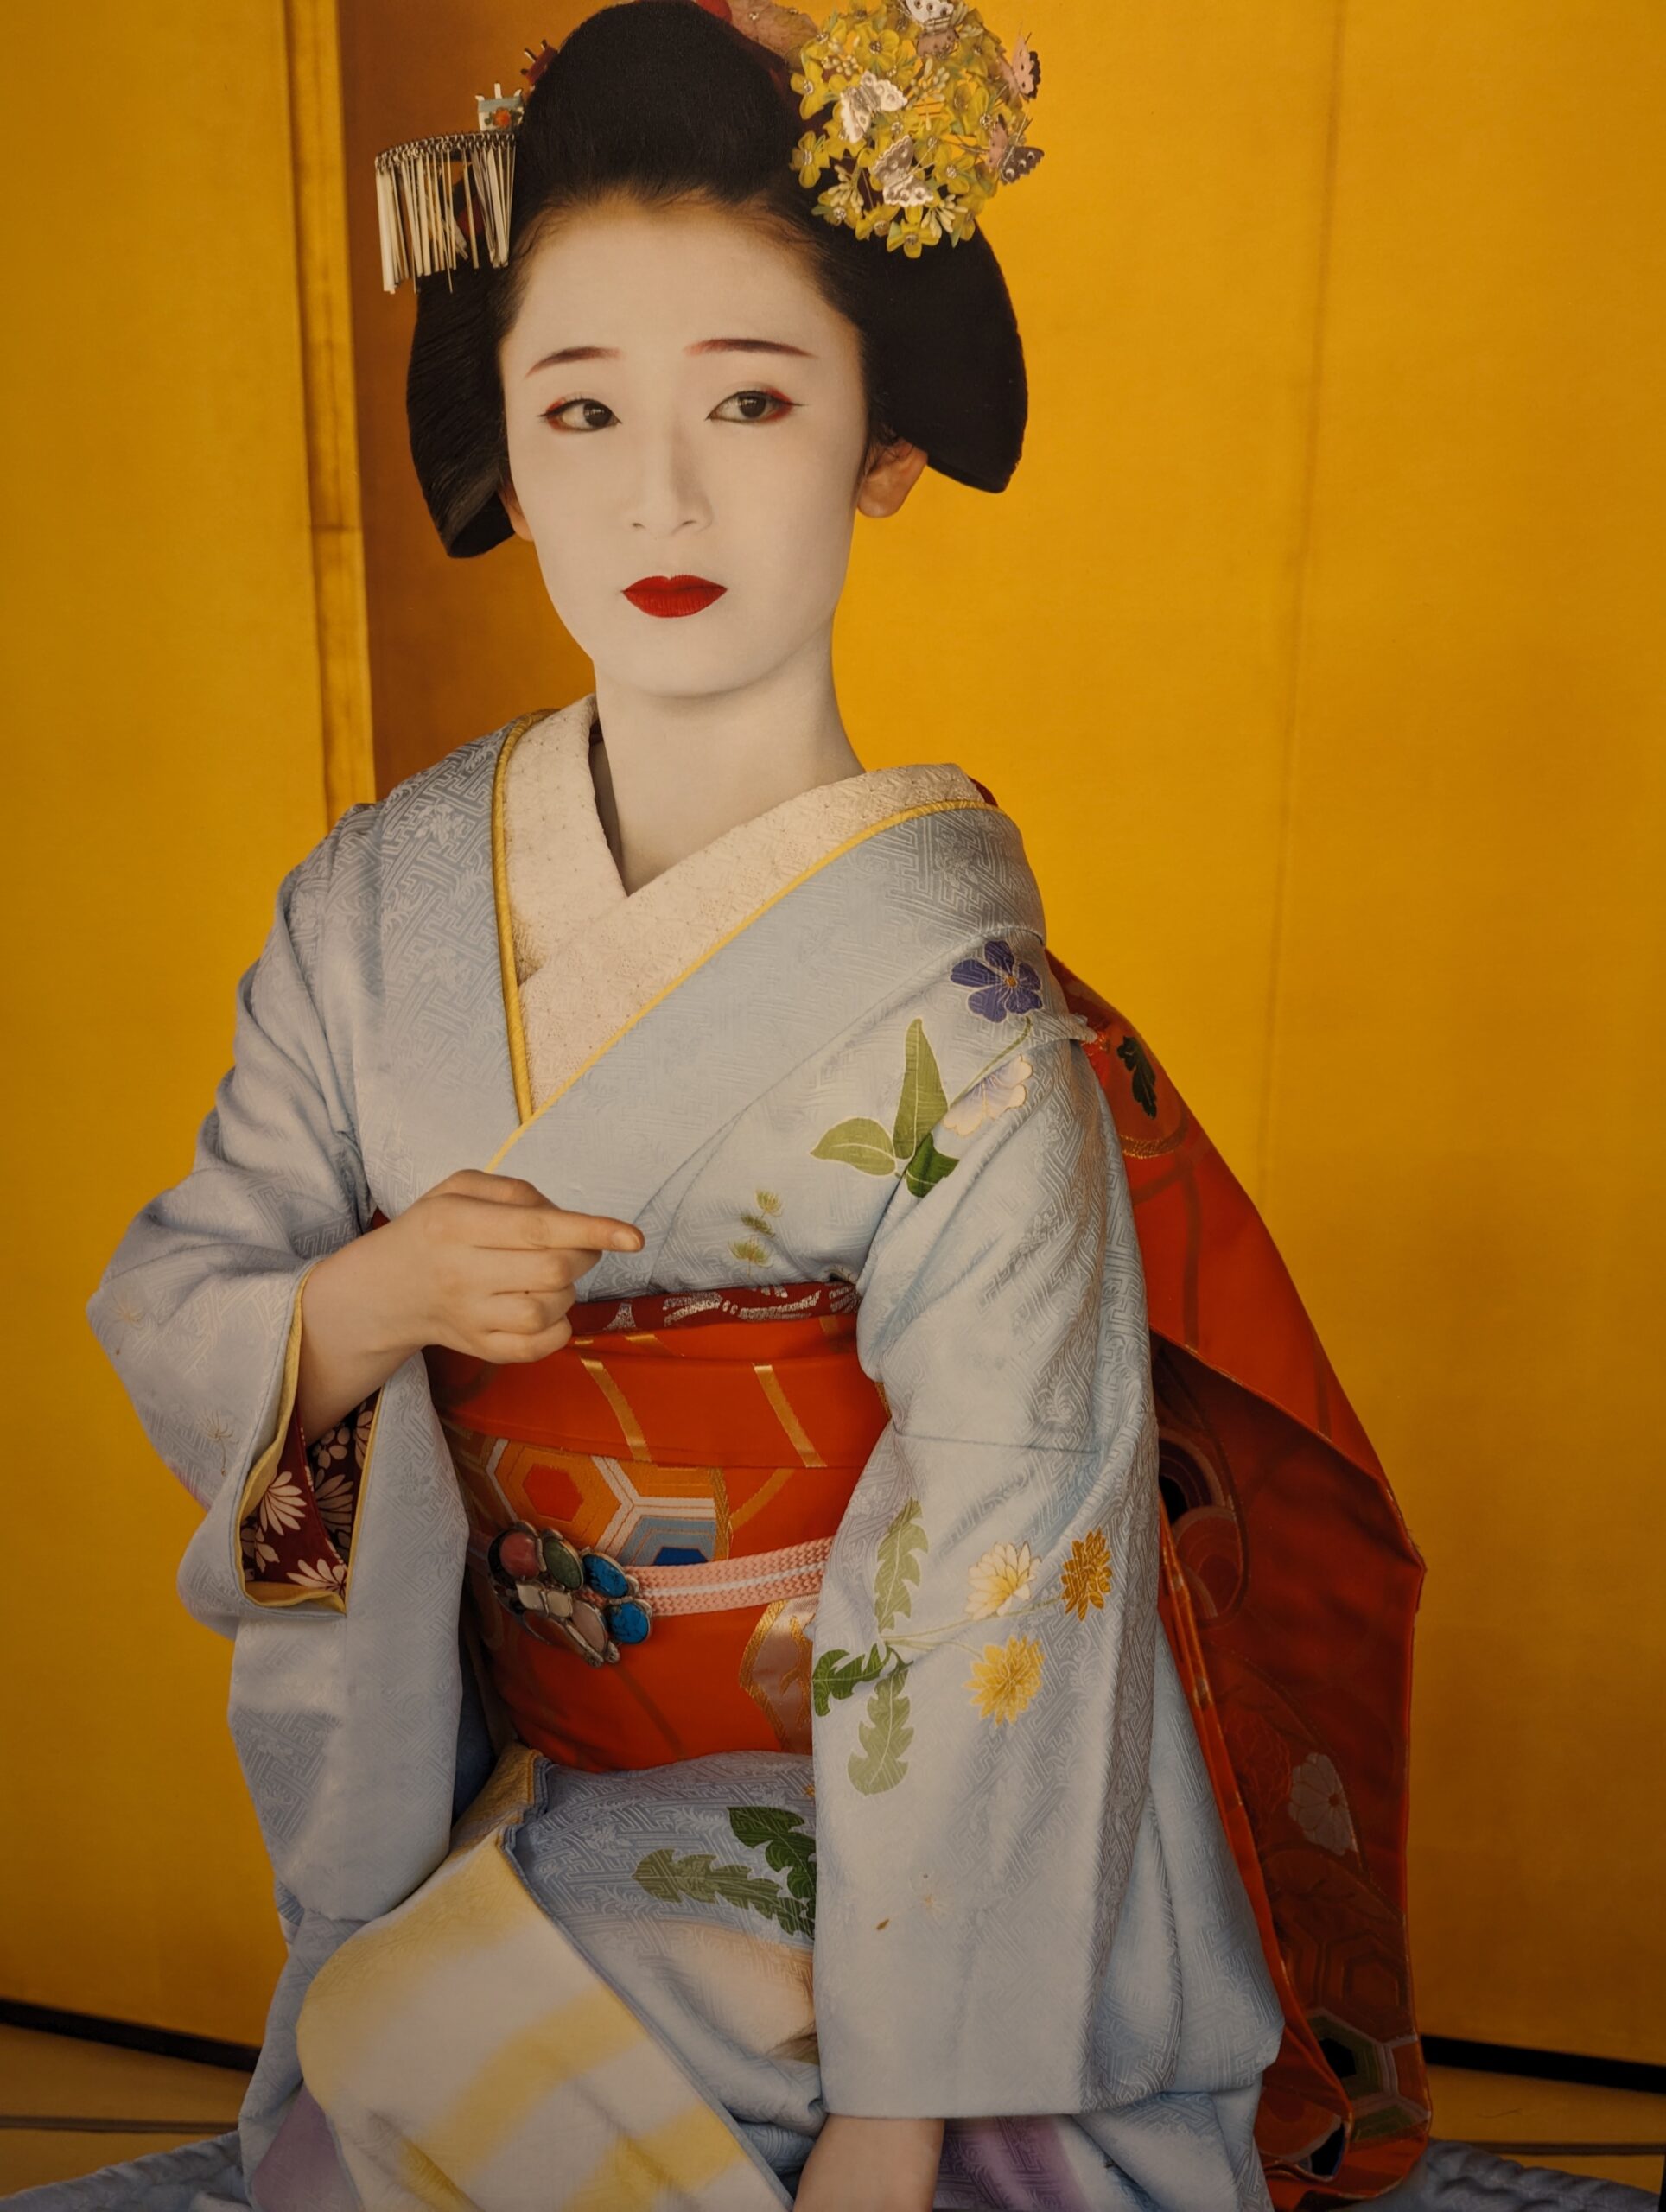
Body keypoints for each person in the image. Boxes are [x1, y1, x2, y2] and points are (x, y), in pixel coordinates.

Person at [53, 3, 1461, 2208]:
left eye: (750, 399)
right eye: (581, 408)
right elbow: (186, 1292)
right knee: (366, 2083)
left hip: (921, 1854)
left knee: (427, 2066)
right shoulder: (370, 916)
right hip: (547, 1788)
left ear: (880, 443)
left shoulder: (971, 1024)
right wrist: (371, 1296)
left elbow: (1004, 1544)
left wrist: (902, 2106)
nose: (662, 494)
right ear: (506, 445)